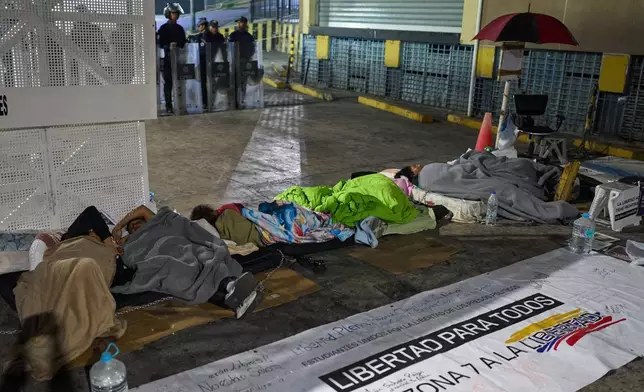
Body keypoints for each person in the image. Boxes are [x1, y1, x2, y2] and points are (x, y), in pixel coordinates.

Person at [112, 205, 262, 318]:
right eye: (131, 227)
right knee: (180, 275)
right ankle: (234, 293)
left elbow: (142, 209)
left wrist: (119, 225)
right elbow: (129, 255)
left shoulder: (157, 222)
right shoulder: (130, 244)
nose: (134, 226)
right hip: (161, 257)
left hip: (182, 247)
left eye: (136, 222)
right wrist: (120, 242)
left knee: (204, 257)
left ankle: (232, 289)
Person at [157, 3, 187, 114]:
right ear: (169, 14)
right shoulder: (164, 28)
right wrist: (167, 46)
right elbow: (160, 43)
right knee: (168, 83)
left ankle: (180, 104)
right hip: (168, 59)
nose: (175, 15)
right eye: (173, 13)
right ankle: (169, 106)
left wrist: (179, 45)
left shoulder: (180, 28)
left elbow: (183, 43)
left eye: (176, 13)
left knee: (180, 82)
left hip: (179, 59)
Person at [70, 4, 109, 85]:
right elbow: (106, 48)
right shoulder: (94, 29)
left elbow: (106, 48)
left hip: (82, 67)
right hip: (92, 66)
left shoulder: (74, 31)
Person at [228, 16, 255, 105]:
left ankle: (242, 99)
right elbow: (229, 48)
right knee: (234, 82)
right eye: (239, 22)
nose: (240, 24)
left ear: (245, 23)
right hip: (234, 62)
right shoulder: (233, 35)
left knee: (243, 82)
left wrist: (246, 58)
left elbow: (252, 49)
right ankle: (234, 100)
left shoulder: (249, 36)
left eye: (242, 22)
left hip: (244, 62)